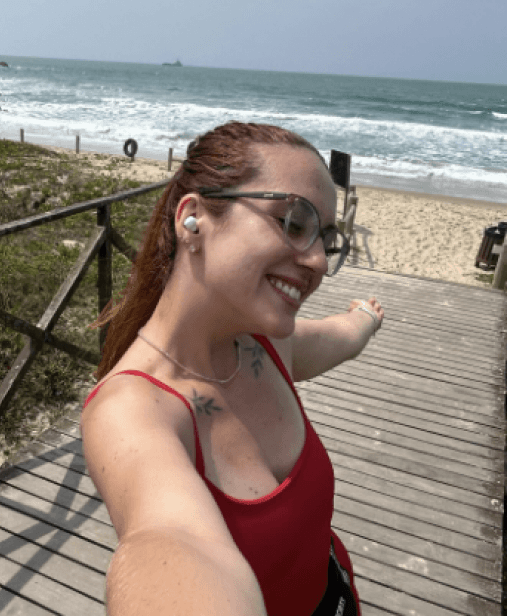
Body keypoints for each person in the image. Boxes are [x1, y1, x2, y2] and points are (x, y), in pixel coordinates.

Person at [81, 121, 384, 616]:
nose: (317, 262)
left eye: (326, 241)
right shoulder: (129, 411)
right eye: (294, 222)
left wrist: (367, 317)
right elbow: (168, 537)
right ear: (193, 218)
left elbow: (343, 336)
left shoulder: (267, 345)